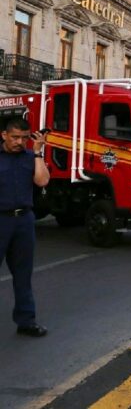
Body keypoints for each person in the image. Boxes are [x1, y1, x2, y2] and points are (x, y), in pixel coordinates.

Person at [0, 118, 49, 337]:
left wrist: (38, 153)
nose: (20, 142)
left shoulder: (31, 157)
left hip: (24, 221)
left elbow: (42, 181)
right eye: (15, 137)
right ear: (4, 135)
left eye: (24, 138)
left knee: (23, 274)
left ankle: (26, 321)